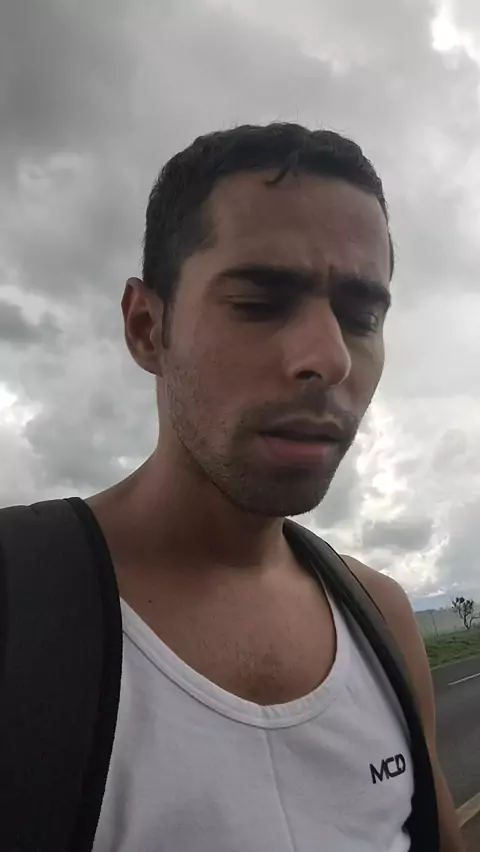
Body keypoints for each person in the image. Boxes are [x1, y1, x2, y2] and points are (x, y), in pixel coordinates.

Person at [10, 123, 465, 851]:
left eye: (361, 316)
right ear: (146, 327)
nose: (329, 359)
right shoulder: (19, 598)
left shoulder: (380, 617)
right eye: (259, 302)